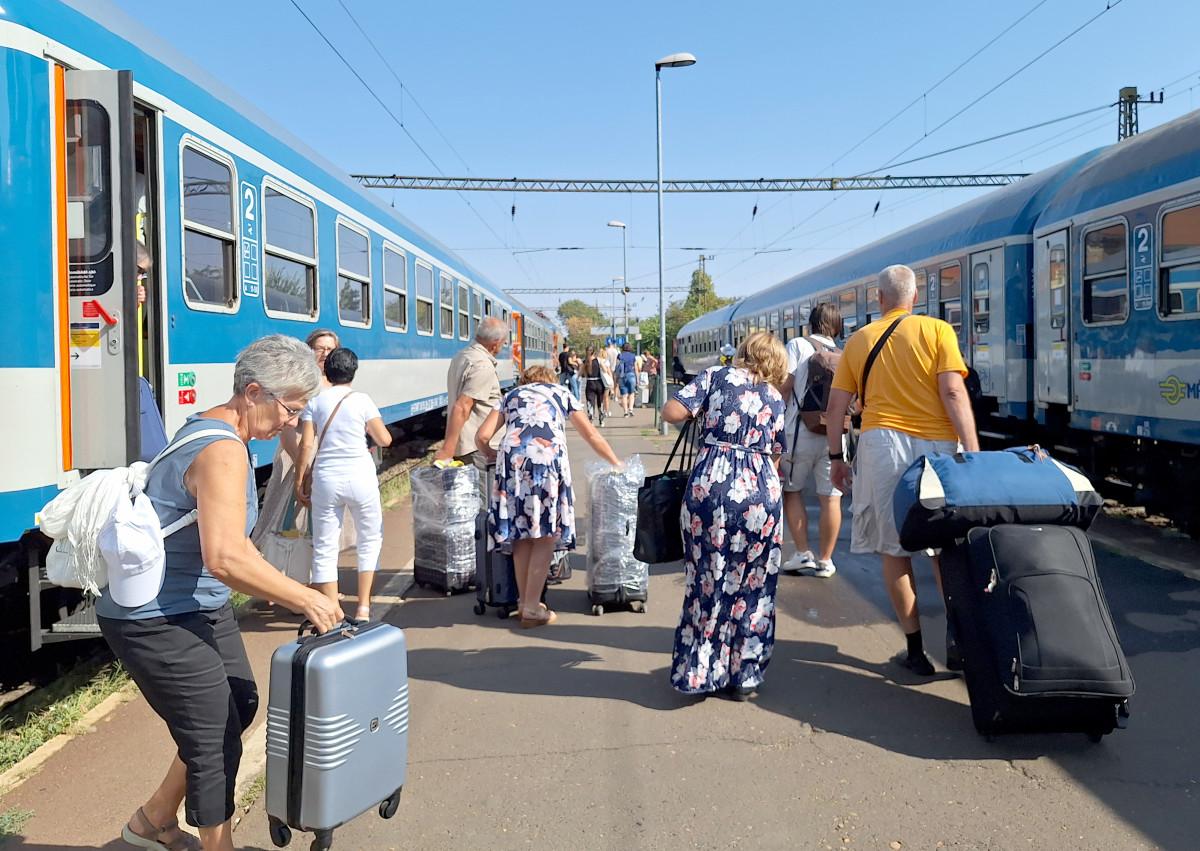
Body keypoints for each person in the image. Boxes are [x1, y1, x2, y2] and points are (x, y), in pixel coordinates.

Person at [96, 335, 343, 851]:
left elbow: (232, 552)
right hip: (155, 616)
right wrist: (307, 597)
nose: (293, 423)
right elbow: (226, 557)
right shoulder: (221, 450)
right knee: (211, 735)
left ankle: (154, 821)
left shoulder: (218, 430)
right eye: (291, 409)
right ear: (253, 392)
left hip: (198, 605)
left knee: (239, 702)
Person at [826, 264, 979, 677]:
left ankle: (914, 651)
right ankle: (960, 643)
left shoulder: (859, 340)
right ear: (915, 298)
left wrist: (836, 459)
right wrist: (974, 452)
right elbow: (952, 391)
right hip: (938, 448)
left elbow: (836, 408)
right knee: (943, 545)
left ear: (878, 299)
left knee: (894, 548)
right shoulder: (937, 331)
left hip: (881, 447)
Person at [662, 331, 788, 701]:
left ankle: (701, 673)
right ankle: (745, 676)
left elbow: (672, 412)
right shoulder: (776, 397)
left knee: (709, 580)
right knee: (755, 584)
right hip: (762, 494)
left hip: (712, 490)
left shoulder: (716, 376)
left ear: (743, 353)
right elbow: (777, 453)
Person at [475, 365, 622, 628]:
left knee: (522, 537)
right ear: (550, 380)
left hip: (512, 465)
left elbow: (482, 436)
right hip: (545, 463)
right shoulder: (562, 392)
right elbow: (590, 433)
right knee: (545, 535)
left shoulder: (510, 396)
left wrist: (491, 453)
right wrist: (615, 461)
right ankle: (532, 607)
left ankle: (525, 603)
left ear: (524, 381)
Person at [295, 348, 392, 622]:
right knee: (370, 539)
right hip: (360, 477)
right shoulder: (362, 400)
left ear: (325, 371)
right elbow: (384, 440)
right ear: (354, 372)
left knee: (325, 546)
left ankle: (333, 613)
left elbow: (306, 444)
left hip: (326, 480)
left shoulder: (315, 402)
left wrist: (300, 479)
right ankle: (363, 608)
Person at [252, 330, 346, 555]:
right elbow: (286, 431)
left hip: (325, 459)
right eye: (319, 348)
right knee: (289, 517)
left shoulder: (338, 386)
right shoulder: (299, 384)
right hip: (296, 455)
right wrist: (302, 468)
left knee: (322, 522)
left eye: (330, 349)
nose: (324, 353)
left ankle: (317, 579)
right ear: (309, 351)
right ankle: (286, 571)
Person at [779, 302, 845, 578]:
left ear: (812, 324)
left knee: (792, 491)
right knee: (831, 498)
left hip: (799, 433)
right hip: (833, 435)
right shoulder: (844, 352)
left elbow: (786, 386)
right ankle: (826, 561)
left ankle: (803, 552)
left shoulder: (797, 345)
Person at [434, 317, 509, 499]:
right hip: (478, 449)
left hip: (467, 444)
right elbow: (462, 406)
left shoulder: (462, 356)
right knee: (483, 505)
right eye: (503, 344)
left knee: (467, 504)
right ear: (496, 343)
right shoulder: (483, 365)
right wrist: (447, 449)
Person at [581, 345, 608, 427]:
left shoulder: (585, 362)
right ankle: (601, 420)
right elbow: (605, 370)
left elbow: (580, 373)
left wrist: (578, 377)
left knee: (590, 402)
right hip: (599, 383)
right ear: (594, 352)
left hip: (589, 383)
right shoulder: (599, 360)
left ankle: (591, 419)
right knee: (600, 402)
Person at [616, 342, 638, 417]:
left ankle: (625, 412)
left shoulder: (620, 356)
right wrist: (637, 379)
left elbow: (617, 368)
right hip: (631, 375)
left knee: (623, 395)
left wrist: (616, 378)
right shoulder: (633, 356)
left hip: (622, 376)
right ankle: (631, 408)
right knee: (631, 393)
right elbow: (635, 368)